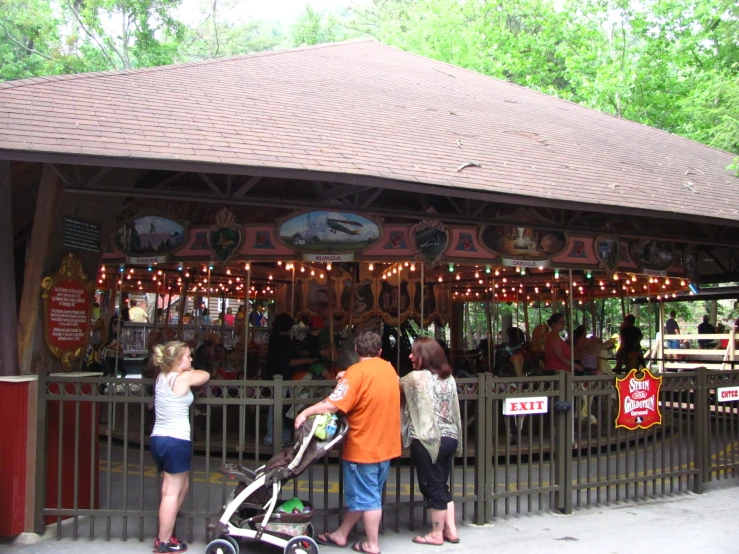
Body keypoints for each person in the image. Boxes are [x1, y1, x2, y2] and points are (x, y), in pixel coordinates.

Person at [294, 331, 401, 554]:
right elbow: (367, 379)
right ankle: (341, 534)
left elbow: (334, 403)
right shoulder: (388, 368)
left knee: (368, 497)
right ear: (380, 351)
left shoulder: (356, 372)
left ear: (356, 351)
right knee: (367, 493)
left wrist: (306, 412)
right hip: (387, 444)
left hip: (364, 446)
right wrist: (346, 374)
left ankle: (372, 544)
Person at [149, 341, 210, 553]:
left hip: (159, 438)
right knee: (171, 492)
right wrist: (191, 370)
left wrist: (187, 368)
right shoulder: (183, 378)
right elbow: (206, 375)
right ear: (177, 360)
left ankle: (167, 534)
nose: (191, 359)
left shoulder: (161, 377)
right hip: (176, 440)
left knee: (180, 487)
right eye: (188, 356)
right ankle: (163, 541)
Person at [400, 338, 462, 545]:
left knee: (431, 487)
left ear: (424, 356)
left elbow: (392, 384)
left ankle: (436, 534)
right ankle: (451, 530)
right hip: (450, 437)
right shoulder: (448, 378)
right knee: (441, 484)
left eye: (414, 352)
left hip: (428, 440)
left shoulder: (417, 378)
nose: (410, 356)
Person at [265, 313, 316, 446]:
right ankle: (273, 436)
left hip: (282, 376)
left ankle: (283, 435)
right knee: (278, 405)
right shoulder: (280, 340)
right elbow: (287, 361)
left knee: (283, 405)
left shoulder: (277, 338)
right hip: (281, 375)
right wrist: (307, 360)